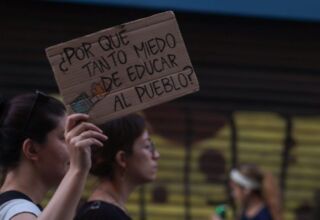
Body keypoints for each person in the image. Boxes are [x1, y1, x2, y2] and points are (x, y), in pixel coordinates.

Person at [0, 91, 108, 220]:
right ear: (31, 149)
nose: (73, 145)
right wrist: (77, 169)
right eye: (64, 137)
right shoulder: (20, 213)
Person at [75, 113, 160, 220]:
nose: (156, 155)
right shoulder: (101, 215)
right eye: (147, 146)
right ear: (122, 159)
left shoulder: (106, 211)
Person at [211, 164, 282, 220]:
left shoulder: (264, 216)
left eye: (234, 189)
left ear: (246, 190)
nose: (232, 194)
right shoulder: (246, 211)